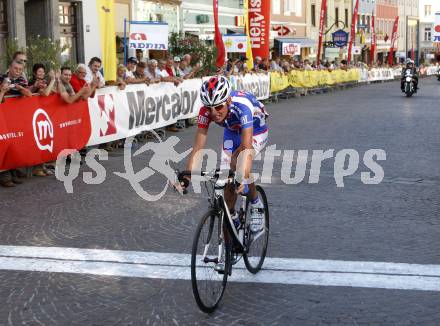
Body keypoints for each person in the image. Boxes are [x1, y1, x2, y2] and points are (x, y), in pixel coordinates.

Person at [179, 76, 269, 243]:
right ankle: (232, 218)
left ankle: (257, 206)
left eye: (219, 106)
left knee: (239, 165)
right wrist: (187, 175)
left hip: (255, 130)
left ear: (227, 100)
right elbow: (198, 147)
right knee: (226, 181)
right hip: (231, 131)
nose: (214, 113)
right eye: (209, 108)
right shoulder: (206, 112)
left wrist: (241, 174)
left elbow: (246, 148)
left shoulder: (242, 108)